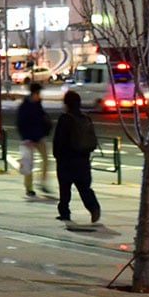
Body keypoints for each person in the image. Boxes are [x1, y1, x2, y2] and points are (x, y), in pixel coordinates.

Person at [52, 89, 101, 223]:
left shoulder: (65, 118)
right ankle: (94, 207)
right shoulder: (86, 118)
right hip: (83, 159)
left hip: (67, 160)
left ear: (66, 104)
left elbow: (59, 140)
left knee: (65, 188)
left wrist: (57, 156)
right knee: (84, 187)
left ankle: (64, 212)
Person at [15, 81, 52, 198]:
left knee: (46, 159)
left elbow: (42, 118)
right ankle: (29, 187)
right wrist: (26, 139)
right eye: (38, 93)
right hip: (29, 139)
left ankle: (42, 182)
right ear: (34, 93)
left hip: (39, 136)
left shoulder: (37, 104)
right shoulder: (25, 106)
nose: (39, 95)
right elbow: (20, 123)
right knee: (28, 163)